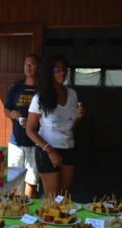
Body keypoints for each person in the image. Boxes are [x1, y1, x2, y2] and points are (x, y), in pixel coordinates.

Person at [26, 53, 85, 197]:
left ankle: (61, 220)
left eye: (64, 68)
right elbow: (30, 129)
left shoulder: (72, 94)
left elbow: (72, 125)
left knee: (63, 197)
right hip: (47, 151)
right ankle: (45, 220)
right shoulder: (40, 98)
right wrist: (50, 150)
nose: (63, 72)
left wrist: (80, 117)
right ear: (49, 72)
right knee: (52, 197)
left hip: (68, 147)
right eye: (57, 69)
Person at [4, 54, 41, 198]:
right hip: (16, 142)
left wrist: (34, 122)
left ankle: (29, 216)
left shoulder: (42, 90)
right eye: (26, 64)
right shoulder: (16, 87)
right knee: (13, 183)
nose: (28, 67)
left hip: (35, 142)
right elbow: (6, 108)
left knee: (31, 183)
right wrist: (11, 114)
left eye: (32, 64)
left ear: (38, 67)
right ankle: (13, 212)